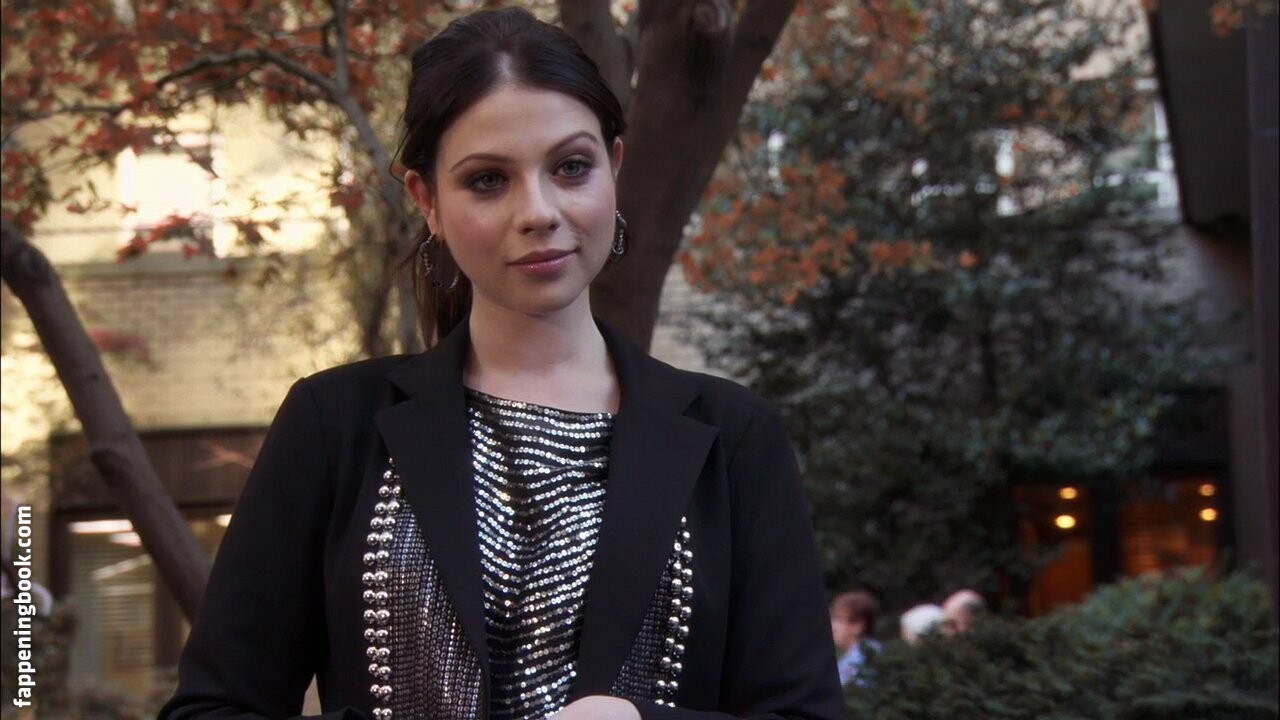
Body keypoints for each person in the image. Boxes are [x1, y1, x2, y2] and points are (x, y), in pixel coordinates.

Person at [159, 8, 843, 720]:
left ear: (614, 166)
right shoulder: (334, 425)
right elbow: (212, 709)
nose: (538, 211)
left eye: (571, 167)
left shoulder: (735, 439)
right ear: (427, 200)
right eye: (488, 180)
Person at [829, 590, 881, 687]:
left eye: (839, 619)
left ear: (857, 625)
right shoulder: (850, 657)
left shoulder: (867, 656)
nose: (833, 626)